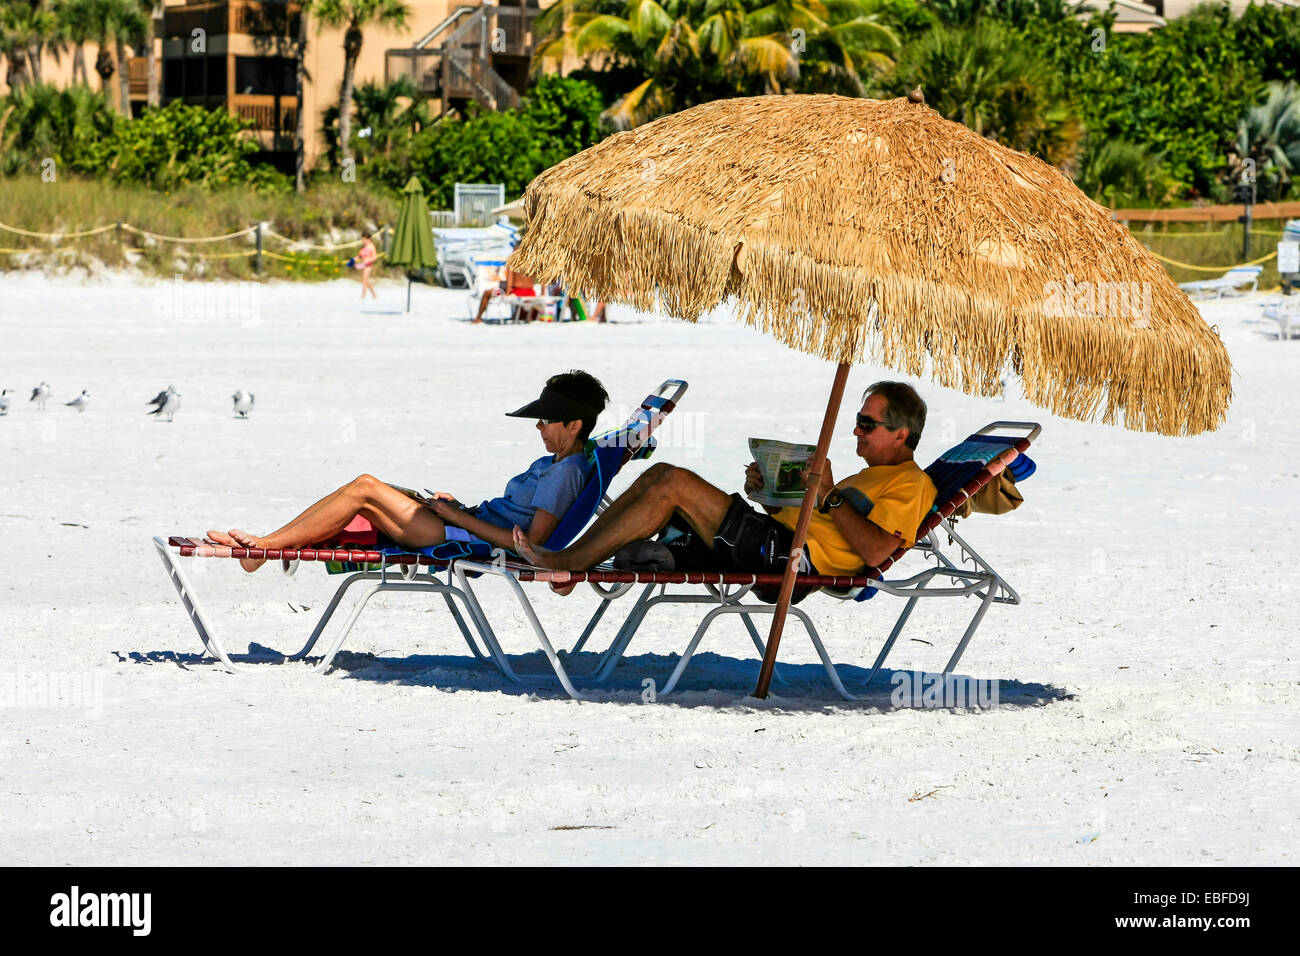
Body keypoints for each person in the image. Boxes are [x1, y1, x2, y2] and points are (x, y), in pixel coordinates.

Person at [514, 381, 938, 588]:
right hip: (779, 539)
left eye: (867, 424)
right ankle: (581, 560)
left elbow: (878, 550)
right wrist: (770, 495)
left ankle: (567, 564)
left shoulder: (911, 483)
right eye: (858, 422)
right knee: (664, 479)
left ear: (901, 433)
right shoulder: (869, 477)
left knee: (673, 482)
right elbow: (826, 520)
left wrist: (828, 494)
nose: (857, 432)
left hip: (792, 559)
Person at [207, 371, 609, 572]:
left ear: (574, 425)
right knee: (367, 492)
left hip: (460, 538)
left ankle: (265, 546)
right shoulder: (556, 463)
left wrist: (457, 517)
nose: (538, 426)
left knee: (364, 489)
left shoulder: (564, 473)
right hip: (461, 524)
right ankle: (268, 545)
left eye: (547, 420)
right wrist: (461, 508)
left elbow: (529, 545)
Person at [355, 232, 379, 300]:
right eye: (362, 239)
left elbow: (375, 257)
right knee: (366, 280)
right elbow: (360, 256)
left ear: (369, 239)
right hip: (363, 264)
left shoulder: (372, 246)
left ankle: (363, 295)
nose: (363, 241)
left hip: (368, 265)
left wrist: (369, 260)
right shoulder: (364, 247)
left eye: (364, 239)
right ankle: (373, 293)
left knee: (364, 279)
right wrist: (354, 260)